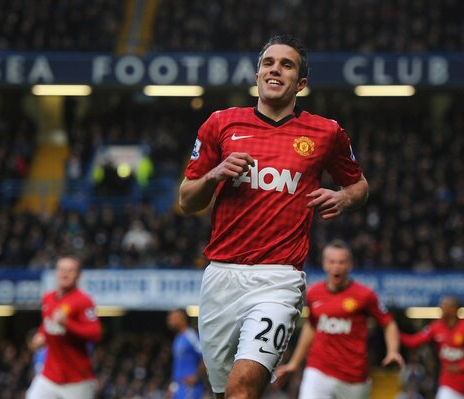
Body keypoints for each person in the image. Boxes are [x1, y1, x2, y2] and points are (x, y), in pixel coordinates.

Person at [179, 34, 369, 398]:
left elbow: (359, 185)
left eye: (287, 64)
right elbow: (188, 200)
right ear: (257, 75)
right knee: (223, 392)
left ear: (301, 83)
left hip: (278, 280)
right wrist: (215, 174)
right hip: (221, 276)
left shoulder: (325, 132)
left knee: (241, 389)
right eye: (268, 63)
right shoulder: (221, 123)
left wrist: (343, 197)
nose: (275, 70)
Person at [274, 239, 404, 399]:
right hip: (318, 369)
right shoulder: (314, 293)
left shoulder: (365, 295)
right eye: (332, 262)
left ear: (350, 265)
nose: (336, 267)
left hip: (353, 376)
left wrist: (393, 351)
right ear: (325, 264)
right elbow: (312, 327)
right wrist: (294, 363)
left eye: (341, 262)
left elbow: (388, 323)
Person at [26, 255, 102, 399]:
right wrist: (41, 336)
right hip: (49, 376)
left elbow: (95, 333)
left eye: (70, 270)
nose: (65, 273)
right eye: (61, 270)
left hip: (77, 380)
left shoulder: (84, 301)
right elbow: (47, 324)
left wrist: (68, 324)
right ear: (56, 273)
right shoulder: (48, 298)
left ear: (78, 275)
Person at [400, 296, 464, 399]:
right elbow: (413, 341)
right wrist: (393, 332)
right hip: (449, 385)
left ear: (454, 309)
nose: (440, 307)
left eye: (444, 304)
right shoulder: (436, 327)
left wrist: (460, 366)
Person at [167, 308, 206, 399]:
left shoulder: (190, 335)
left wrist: (196, 376)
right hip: (179, 387)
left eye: (172, 317)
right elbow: (178, 366)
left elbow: (205, 356)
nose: (169, 320)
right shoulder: (178, 338)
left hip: (190, 388)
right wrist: (173, 387)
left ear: (182, 318)